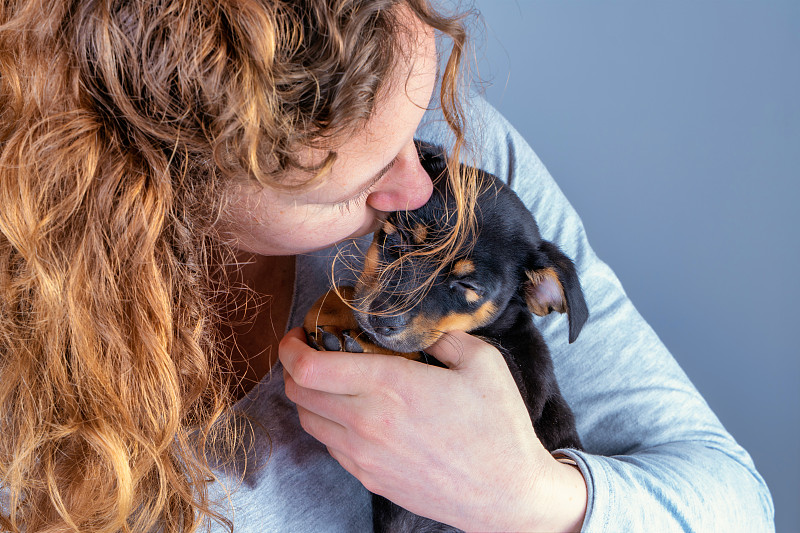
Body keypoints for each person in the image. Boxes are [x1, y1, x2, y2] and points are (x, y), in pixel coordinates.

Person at [0, 0, 774, 532]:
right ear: (163, 182)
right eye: (357, 184)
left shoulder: (457, 166)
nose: (419, 189)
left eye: (418, 130)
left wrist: (529, 494)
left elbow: (736, 505)